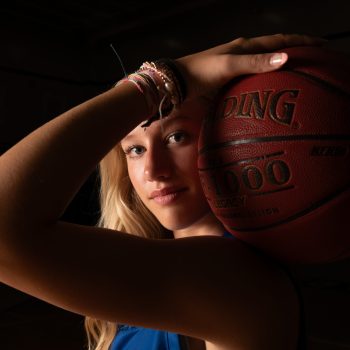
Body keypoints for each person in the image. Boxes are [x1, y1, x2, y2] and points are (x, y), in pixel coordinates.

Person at [0, 34, 324, 350]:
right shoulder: (156, 265)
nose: (154, 170)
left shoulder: (237, 279)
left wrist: (161, 81)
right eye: (136, 150)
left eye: (176, 137)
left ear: (223, 140)